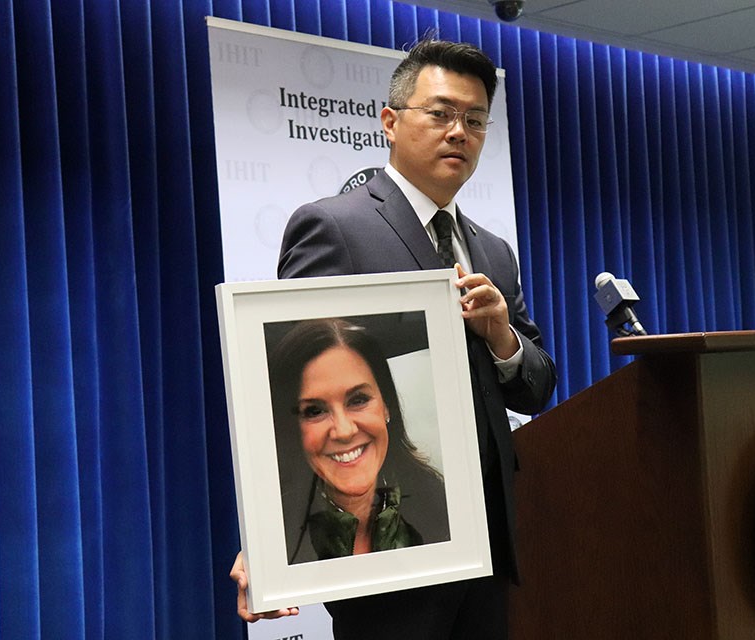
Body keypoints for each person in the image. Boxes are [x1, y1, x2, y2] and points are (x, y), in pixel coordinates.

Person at [232, 37, 557, 637]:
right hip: (388, 550)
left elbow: (535, 389)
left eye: (475, 120)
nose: (459, 131)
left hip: (487, 542)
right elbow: (289, 381)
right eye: (441, 113)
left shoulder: (493, 251)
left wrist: (502, 335)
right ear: (390, 120)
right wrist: (272, 536)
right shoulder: (335, 226)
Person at [268, 317, 449, 564]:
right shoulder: (275, 538)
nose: (343, 431)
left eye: (358, 400)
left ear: (387, 406)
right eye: (314, 411)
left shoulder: (443, 510)